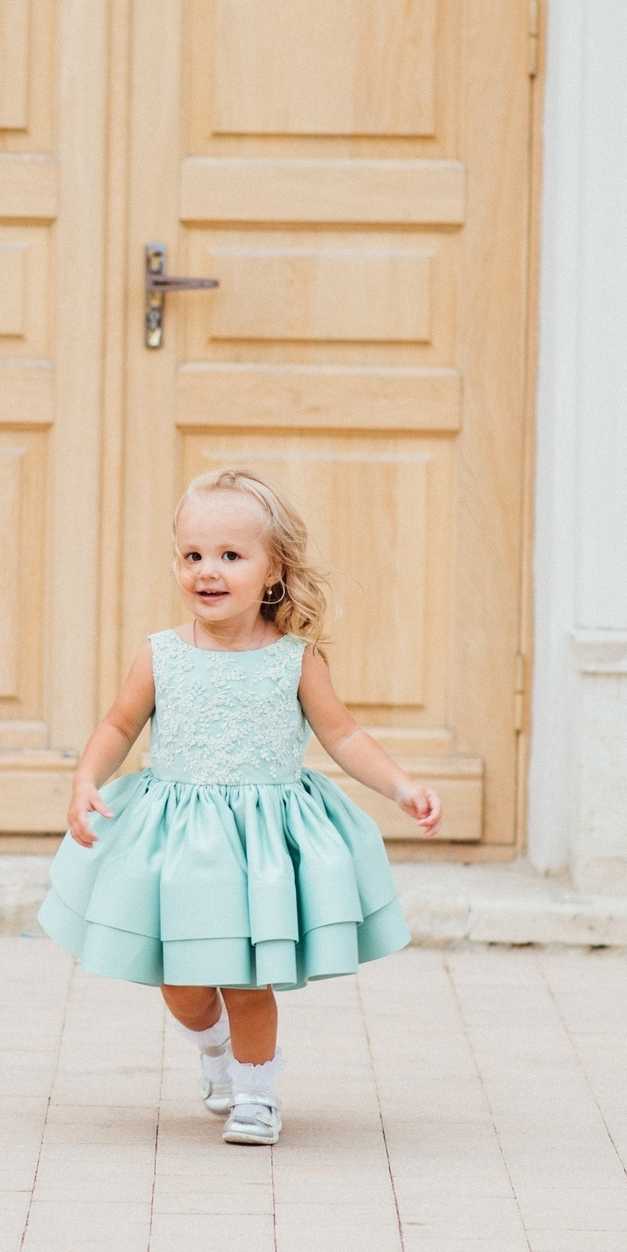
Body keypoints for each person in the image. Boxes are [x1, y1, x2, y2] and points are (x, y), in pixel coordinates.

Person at [39, 467, 442, 1146]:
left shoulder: (295, 658)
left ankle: (257, 1091)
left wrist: (401, 785)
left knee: (248, 978)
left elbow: (342, 733)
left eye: (230, 555)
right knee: (183, 982)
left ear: (272, 570)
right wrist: (86, 779)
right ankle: (214, 1044)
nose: (208, 571)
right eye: (193, 555)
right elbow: (116, 726)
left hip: (259, 846)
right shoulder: (160, 655)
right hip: (178, 840)